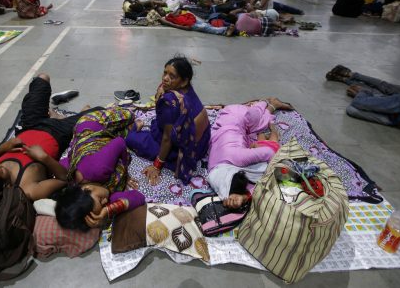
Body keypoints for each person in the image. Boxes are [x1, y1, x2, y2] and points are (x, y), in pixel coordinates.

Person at [0, 73, 103, 203]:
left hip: (30, 124)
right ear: (5, 186)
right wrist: (44, 158)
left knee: (42, 78)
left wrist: (2, 149)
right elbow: (66, 179)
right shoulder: (29, 190)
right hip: (58, 133)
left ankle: (60, 117)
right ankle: (62, 118)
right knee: (101, 113)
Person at [55, 107, 146, 230]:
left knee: (130, 115)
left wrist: (126, 172)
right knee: (129, 133)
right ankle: (131, 129)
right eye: (103, 206)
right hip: (101, 142)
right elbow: (139, 197)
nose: (105, 202)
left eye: (100, 200)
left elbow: (119, 143)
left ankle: (88, 111)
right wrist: (109, 210)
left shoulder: (97, 169)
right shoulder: (98, 203)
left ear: (87, 188)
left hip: (91, 125)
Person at [126, 57, 211, 185]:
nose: (165, 78)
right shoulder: (187, 89)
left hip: (182, 152)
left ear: (183, 81)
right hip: (201, 144)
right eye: (165, 73)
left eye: (172, 76)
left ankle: (137, 128)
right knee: (159, 123)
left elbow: (167, 138)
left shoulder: (170, 102)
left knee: (130, 139)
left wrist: (157, 165)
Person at [207, 99, 293, 208]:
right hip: (229, 126)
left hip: (236, 115)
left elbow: (269, 152)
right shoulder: (214, 173)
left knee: (258, 119)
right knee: (260, 126)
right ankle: (266, 106)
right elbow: (223, 185)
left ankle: (266, 103)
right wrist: (241, 197)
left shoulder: (238, 157)